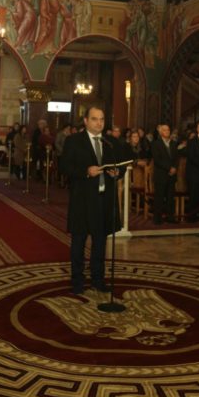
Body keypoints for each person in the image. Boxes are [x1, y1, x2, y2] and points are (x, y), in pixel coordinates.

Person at [61, 106, 123, 295]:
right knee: (79, 241)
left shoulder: (110, 142)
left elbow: (120, 164)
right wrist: (86, 172)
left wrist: (117, 172)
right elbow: (65, 167)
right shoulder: (73, 141)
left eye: (102, 119)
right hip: (82, 199)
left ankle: (98, 279)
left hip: (104, 199)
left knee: (100, 242)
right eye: (95, 119)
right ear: (86, 121)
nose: (99, 123)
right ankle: (77, 281)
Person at [151, 123, 178, 224]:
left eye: (168, 130)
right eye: (165, 130)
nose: (167, 131)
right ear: (160, 132)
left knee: (170, 197)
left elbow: (176, 158)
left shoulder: (173, 143)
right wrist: (169, 168)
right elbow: (157, 160)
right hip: (161, 174)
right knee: (159, 197)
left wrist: (174, 168)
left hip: (172, 175)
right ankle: (157, 218)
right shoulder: (155, 144)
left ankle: (170, 217)